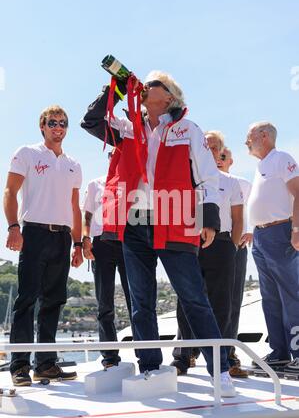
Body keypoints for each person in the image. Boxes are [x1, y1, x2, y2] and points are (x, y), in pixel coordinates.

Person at [81, 71, 236, 396]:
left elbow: (209, 177)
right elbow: (92, 121)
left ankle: (220, 371)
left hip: (176, 218)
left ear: (169, 96)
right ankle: (150, 367)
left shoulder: (187, 130)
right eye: (145, 83)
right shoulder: (128, 128)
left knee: (194, 298)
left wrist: (209, 218)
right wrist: (117, 88)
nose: (147, 86)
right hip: (135, 219)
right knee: (141, 301)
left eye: (155, 84)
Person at [3, 105, 83, 386]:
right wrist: (13, 227)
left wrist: (78, 243)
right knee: (26, 300)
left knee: (55, 300)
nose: (58, 127)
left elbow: (75, 206)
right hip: (34, 234)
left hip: (62, 238)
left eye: (63, 123)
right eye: (52, 123)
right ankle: (20, 366)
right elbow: (10, 191)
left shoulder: (74, 164)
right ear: (43, 126)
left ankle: (46, 364)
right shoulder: (27, 153)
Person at [172, 131, 246, 378]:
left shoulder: (231, 182)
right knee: (185, 301)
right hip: (189, 244)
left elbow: (237, 219)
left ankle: (222, 358)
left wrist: (232, 248)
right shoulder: (186, 180)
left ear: (221, 152)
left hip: (222, 245)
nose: (210, 152)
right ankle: (183, 357)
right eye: (206, 147)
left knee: (222, 303)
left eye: (215, 149)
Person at [246, 121, 299, 372]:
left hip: (280, 233)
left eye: (250, 136)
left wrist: (296, 230)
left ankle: (298, 352)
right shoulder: (260, 167)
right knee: (270, 298)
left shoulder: (281, 158)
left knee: (291, 295)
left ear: (263, 136)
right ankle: (279, 353)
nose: (246, 141)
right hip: (261, 237)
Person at [82, 152, 132, 368]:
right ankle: (110, 357)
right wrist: (84, 238)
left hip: (130, 241)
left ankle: (145, 353)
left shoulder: (134, 183)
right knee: (105, 303)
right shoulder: (95, 184)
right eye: (113, 154)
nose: (116, 158)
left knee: (137, 301)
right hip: (102, 243)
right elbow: (87, 215)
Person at [217, 146, 252, 368]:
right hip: (205, 246)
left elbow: (257, 208)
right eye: (215, 155)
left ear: (231, 160)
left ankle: (228, 352)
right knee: (192, 300)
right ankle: (186, 352)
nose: (218, 159)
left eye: (223, 156)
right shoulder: (201, 181)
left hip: (235, 247)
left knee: (232, 302)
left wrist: (253, 230)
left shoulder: (243, 184)